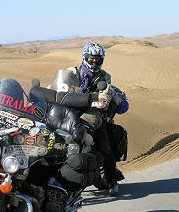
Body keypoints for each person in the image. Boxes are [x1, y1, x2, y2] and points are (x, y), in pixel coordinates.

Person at [49, 42, 129, 196]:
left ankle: (112, 181)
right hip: (68, 113)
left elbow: (105, 96)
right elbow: (59, 88)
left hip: (92, 116)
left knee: (105, 147)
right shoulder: (72, 73)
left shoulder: (105, 77)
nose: (94, 62)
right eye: (91, 59)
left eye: (98, 59)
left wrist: (101, 100)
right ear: (85, 57)